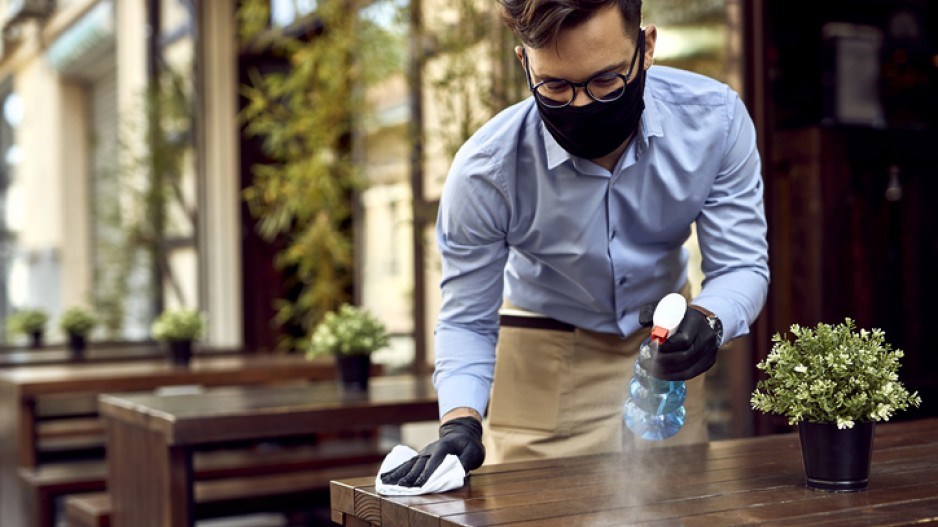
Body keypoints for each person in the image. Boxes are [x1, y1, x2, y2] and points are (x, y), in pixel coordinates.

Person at [381, 0, 769, 488]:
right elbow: (466, 318)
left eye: (606, 81)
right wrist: (460, 419)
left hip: (666, 360)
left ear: (646, 48)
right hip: (544, 366)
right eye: (557, 87)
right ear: (525, 63)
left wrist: (709, 322)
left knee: (676, 513)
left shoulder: (715, 122)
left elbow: (742, 266)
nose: (582, 105)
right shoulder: (487, 169)